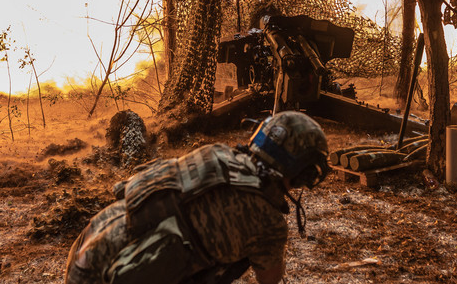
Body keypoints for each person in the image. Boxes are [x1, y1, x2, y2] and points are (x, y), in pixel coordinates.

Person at [64, 111, 330, 284]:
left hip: (86, 249)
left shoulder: (217, 153)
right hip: (111, 274)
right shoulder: (269, 224)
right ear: (301, 170)